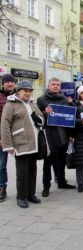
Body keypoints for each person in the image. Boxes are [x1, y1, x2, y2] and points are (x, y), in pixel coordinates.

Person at [1, 80, 45, 208]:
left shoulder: (32, 103)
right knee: (22, 173)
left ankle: (31, 194)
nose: (28, 93)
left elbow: (41, 117)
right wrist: (8, 145)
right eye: (25, 90)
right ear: (18, 91)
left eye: (30, 91)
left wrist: (39, 119)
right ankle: (21, 197)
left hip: (33, 143)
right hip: (20, 143)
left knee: (32, 170)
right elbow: (4, 126)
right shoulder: (10, 105)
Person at [37, 78, 75, 197]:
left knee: (61, 160)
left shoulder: (64, 99)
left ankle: (61, 181)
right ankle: (46, 185)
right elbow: (36, 117)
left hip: (62, 133)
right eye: (53, 84)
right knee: (48, 161)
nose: (55, 86)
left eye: (57, 85)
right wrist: (44, 113)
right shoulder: (41, 99)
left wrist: (70, 135)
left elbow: (68, 117)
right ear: (48, 86)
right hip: (49, 133)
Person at [0, 74, 16, 202]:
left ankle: (24, 188)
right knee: (1, 165)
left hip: (18, 136)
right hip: (3, 136)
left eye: (12, 82)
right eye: (7, 82)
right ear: (3, 83)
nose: (10, 84)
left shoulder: (19, 96)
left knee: (22, 164)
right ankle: (2, 188)